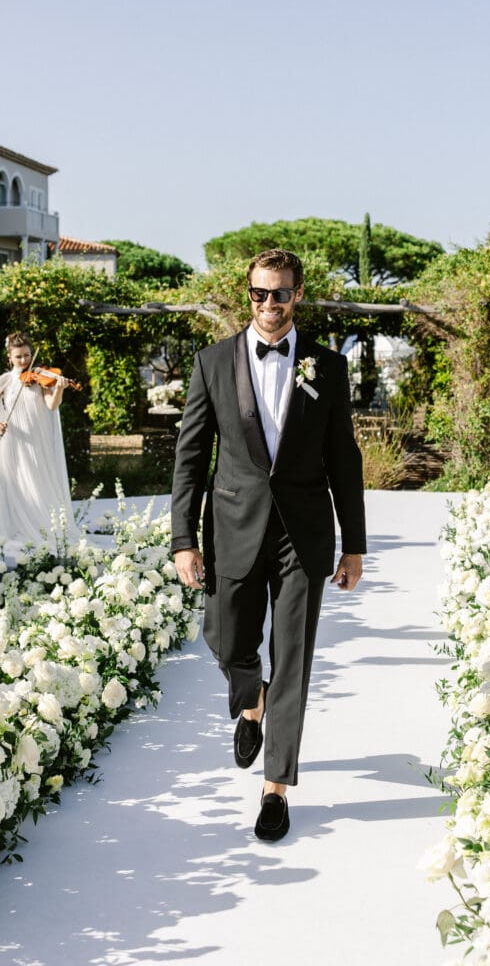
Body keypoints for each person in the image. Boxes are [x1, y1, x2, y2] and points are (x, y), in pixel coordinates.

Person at [171, 249, 366, 841]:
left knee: (295, 660)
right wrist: (184, 538)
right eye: (260, 294)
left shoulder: (327, 369)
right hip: (232, 527)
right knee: (227, 638)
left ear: (298, 294)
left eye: (280, 293)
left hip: (303, 535)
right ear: (247, 294)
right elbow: (190, 457)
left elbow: (345, 461)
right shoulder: (211, 362)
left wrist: (353, 544)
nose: (270, 305)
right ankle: (249, 696)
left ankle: (276, 786)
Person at [0, 332, 79, 548]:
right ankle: (24, 530)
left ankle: (47, 530)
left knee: (42, 481)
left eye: (26, 355)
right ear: (10, 357)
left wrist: (60, 388)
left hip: (38, 439)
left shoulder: (39, 377)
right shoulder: (5, 380)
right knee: (22, 485)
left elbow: (52, 405)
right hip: (16, 441)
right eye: (19, 357)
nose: (24, 360)